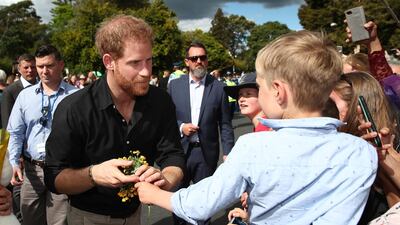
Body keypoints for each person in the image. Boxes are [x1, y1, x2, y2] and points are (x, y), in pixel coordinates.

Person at [135, 30, 378, 225]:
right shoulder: (362, 152)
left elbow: (201, 203)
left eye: (259, 87)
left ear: (278, 91)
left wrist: (154, 194)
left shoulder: (254, 146)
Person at [43, 15, 185, 225]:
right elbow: (54, 178)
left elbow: (173, 155)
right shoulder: (74, 108)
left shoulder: (160, 102)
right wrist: (93, 174)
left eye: (149, 60)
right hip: (87, 218)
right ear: (109, 62)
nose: (146, 71)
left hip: (135, 216)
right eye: (135, 63)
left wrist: (165, 178)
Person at [7, 44, 76, 225]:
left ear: (60, 65)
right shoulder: (25, 96)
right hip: (32, 171)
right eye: (40, 66)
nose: (44, 71)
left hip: (62, 169)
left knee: (59, 222)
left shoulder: (75, 96)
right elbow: (15, 132)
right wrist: (13, 162)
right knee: (29, 218)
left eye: (49, 65)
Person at [168, 41, 234, 225]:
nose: (199, 61)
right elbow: (166, 120)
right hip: (179, 152)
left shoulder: (219, 88)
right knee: (177, 198)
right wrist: (181, 127)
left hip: (206, 154)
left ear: (207, 61)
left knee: (204, 203)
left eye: (202, 58)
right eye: (194, 58)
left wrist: (228, 152)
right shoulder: (174, 86)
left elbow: (226, 124)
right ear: (187, 62)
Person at [1, 54, 37, 129]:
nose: (30, 70)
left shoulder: (44, 87)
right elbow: (7, 122)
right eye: (26, 67)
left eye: (33, 67)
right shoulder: (10, 91)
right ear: (19, 69)